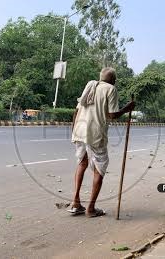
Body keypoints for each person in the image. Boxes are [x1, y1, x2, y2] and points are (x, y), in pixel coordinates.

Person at [68, 67, 135, 217]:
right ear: (113, 80)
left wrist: (73, 130)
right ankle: (90, 209)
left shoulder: (90, 85)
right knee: (99, 168)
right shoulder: (111, 89)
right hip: (95, 134)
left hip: (79, 130)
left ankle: (76, 202)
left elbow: (76, 111)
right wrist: (127, 108)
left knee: (82, 163)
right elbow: (112, 115)